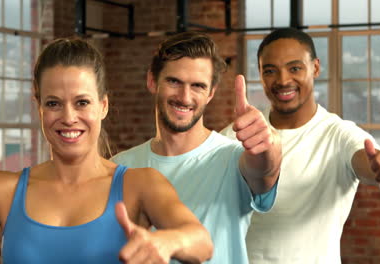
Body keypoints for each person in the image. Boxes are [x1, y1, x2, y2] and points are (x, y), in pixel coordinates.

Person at [0, 37, 213, 264]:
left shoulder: (140, 185)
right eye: (53, 103)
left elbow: (201, 242)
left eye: (82, 102)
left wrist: (168, 242)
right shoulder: (0, 190)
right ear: (38, 106)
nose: (68, 117)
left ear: (103, 105)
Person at [220, 27, 380, 263]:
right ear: (260, 75)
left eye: (295, 68)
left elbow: (366, 160)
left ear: (315, 67)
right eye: (270, 71)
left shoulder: (339, 134)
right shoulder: (237, 135)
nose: (283, 80)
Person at [111, 31, 282, 263]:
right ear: (152, 81)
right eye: (174, 81)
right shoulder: (119, 167)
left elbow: (264, 172)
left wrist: (268, 149)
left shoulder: (233, 160)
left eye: (198, 86)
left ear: (211, 93)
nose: (184, 97)